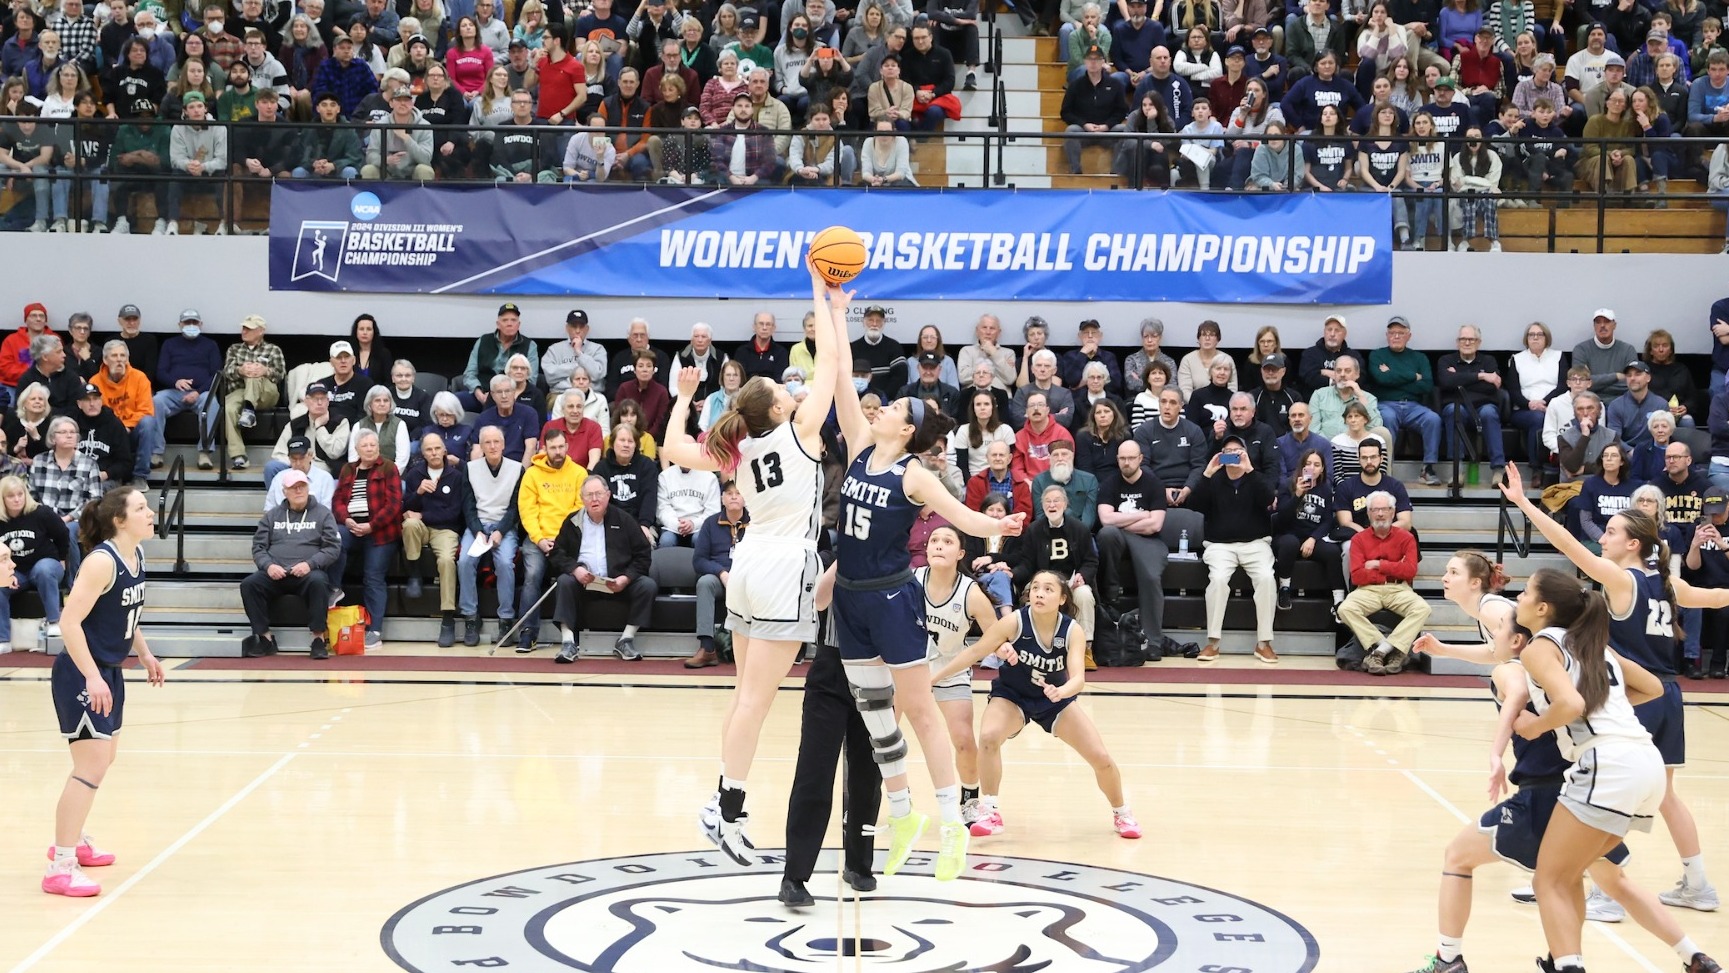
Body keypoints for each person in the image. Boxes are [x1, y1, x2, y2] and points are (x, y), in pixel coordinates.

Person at [826, 280, 1026, 882]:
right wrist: (836, 311)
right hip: (850, 600)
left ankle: (953, 825)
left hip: (891, 598)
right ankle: (902, 812)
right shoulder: (860, 447)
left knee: (919, 709)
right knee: (874, 712)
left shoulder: (913, 474)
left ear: (907, 428)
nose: (880, 409)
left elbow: (961, 517)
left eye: (892, 409)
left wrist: (999, 526)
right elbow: (841, 377)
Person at [1403, 600, 1721, 973]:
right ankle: (1692, 956)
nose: (1493, 637)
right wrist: (1443, 650)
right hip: (1593, 786)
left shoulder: (1514, 668)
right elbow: (1648, 687)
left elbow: (1514, 689)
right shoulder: (1578, 659)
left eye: (1499, 629)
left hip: (1552, 793)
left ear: (1518, 640)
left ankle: (1449, 959)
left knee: (1460, 857)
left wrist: (1496, 752)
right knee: (1608, 881)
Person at [659, 261, 842, 864]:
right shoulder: (801, 433)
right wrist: (824, 295)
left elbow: (672, 448)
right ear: (779, 410)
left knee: (744, 697)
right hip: (785, 569)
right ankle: (726, 809)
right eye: (783, 390)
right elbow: (831, 364)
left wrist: (683, 399)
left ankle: (723, 804)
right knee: (756, 702)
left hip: (747, 564)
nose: (791, 390)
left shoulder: (736, 448)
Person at [1503, 463, 1729, 918]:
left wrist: (1524, 503)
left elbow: (1567, 545)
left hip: (1636, 695)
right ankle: (1698, 885)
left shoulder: (1623, 580)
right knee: (1665, 796)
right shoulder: (1668, 584)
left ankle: (1603, 892)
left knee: (1605, 790)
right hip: (1669, 695)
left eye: (1611, 532)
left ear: (1633, 543)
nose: (1602, 539)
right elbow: (1719, 597)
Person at [933, 569, 1140, 840]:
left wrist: (1061, 691)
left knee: (1101, 758)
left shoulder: (1072, 631)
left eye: (1048, 589)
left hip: (1055, 701)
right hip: (1012, 696)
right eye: (1035, 588)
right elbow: (975, 651)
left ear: (1063, 598)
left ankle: (1122, 813)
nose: (1039, 593)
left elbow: (1078, 679)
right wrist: (933, 678)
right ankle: (990, 810)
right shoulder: (1014, 621)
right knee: (988, 737)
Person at [42, 486, 160, 898]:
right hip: (82, 672)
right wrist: (91, 676)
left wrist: (144, 653)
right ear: (118, 520)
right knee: (88, 768)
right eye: (141, 508)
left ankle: (73, 838)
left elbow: (128, 614)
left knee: (103, 759)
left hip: (108, 670)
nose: (150, 512)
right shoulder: (100, 562)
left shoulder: (136, 554)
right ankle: (60, 866)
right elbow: (68, 623)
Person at [779, 549, 883, 908]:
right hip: (830, 673)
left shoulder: (896, 569)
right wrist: (847, 557)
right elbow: (819, 600)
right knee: (814, 773)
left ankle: (859, 864)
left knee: (867, 776)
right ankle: (794, 876)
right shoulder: (832, 560)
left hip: (877, 676)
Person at [547, 475, 658, 661]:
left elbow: (643, 555)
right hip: (584, 583)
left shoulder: (625, 520)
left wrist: (626, 578)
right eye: (589, 495)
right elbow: (557, 553)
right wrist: (575, 569)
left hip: (617, 583)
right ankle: (568, 642)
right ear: (582, 499)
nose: (594, 499)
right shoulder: (572, 521)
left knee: (647, 586)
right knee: (564, 581)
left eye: (598, 494)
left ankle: (626, 640)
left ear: (608, 495)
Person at [241, 469, 340, 660]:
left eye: (302, 486)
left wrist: (310, 564)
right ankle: (265, 638)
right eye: (293, 488)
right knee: (249, 584)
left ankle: (318, 639)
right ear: (284, 491)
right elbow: (258, 547)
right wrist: (268, 566)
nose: (298, 491)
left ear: (308, 488)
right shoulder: (272, 515)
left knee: (319, 582)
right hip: (275, 573)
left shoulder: (323, 514)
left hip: (308, 573)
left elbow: (332, 548)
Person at [1339, 489, 1430, 674]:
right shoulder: (1358, 539)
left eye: (1384, 509)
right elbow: (1357, 576)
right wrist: (1393, 569)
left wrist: (1378, 564)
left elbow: (1410, 570)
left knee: (1423, 609)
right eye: (1375, 510)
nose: (1380, 514)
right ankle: (1385, 648)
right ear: (1368, 513)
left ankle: (1380, 653)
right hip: (1367, 590)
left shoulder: (1407, 537)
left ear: (1393, 511)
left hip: (1398, 589)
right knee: (1345, 609)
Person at [330, 430, 401, 650]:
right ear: (357, 449)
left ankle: (375, 631)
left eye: (373, 445)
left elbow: (394, 505)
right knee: (333, 539)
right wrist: (347, 520)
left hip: (380, 532)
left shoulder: (389, 468)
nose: (370, 449)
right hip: (351, 528)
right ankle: (334, 588)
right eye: (365, 445)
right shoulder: (348, 469)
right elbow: (337, 501)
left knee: (373, 578)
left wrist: (371, 525)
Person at [402, 435, 468, 646]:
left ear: (444, 450)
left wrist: (423, 515)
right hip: (422, 528)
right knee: (409, 525)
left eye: (437, 448)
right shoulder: (414, 474)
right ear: (423, 453)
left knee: (447, 561)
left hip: (446, 530)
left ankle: (447, 618)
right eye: (429, 449)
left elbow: (455, 514)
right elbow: (406, 508)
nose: (434, 453)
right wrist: (419, 492)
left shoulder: (456, 476)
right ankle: (414, 575)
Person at [0, 473, 67, 651]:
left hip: (47, 565)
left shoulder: (41, 513)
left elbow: (63, 534)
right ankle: (3, 640)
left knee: (44, 569)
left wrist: (62, 559)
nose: (17, 499)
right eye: (11, 496)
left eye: (20, 494)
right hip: (17, 571)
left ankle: (54, 622)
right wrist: (6, 574)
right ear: (2, 499)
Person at [686, 480, 748, 669]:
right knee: (705, 583)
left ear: (746, 497)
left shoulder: (756, 523)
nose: (734, 497)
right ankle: (707, 648)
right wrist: (721, 573)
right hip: (720, 579)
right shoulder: (710, 523)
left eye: (738, 493)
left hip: (748, 578)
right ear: (722, 499)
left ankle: (757, 648)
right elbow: (699, 560)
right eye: (729, 493)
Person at [219, 315, 284, 472]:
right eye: (244, 328)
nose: (244, 331)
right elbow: (226, 372)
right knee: (228, 408)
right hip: (239, 392)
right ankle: (238, 455)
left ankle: (248, 410)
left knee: (255, 373)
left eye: (249, 328)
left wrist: (265, 370)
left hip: (266, 393)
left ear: (261, 331)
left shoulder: (273, 350)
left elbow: (280, 375)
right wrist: (240, 370)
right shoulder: (234, 349)